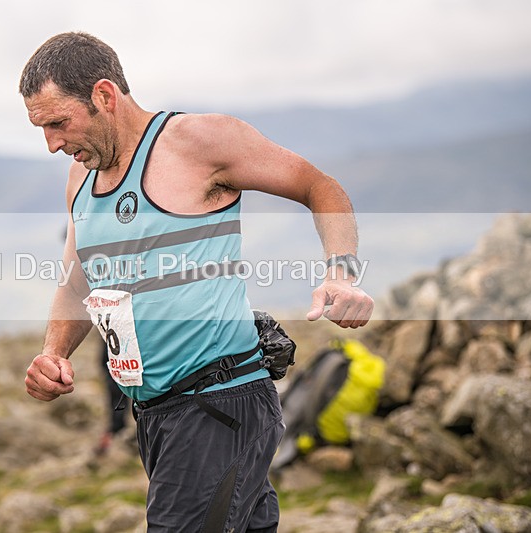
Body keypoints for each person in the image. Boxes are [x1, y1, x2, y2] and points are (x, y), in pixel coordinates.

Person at [20, 32, 373, 533]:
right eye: (41, 129)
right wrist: (55, 353)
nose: (53, 144)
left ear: (104, 95)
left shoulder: (198, 142)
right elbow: (79, 280)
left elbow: (320, 186)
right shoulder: (81, 177)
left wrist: (341, 273)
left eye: (58, 123)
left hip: (219, 402)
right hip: (155, 413)